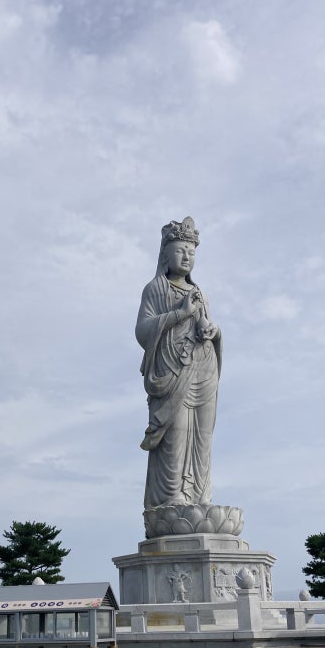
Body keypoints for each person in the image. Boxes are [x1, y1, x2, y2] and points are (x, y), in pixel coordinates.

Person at [136, 216, 221, 509]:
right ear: (165, 254)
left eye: (191, 252)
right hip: (173, 371)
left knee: (202, 437)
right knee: (177, 433)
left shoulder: (200, 293)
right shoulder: (155, 290)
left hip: (204, 370)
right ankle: (173, 496)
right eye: (180, 250)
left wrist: (213, 331)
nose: (187, 256)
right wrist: (179, 314)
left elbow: (206, 324)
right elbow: (142, 331)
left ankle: (200, 496)